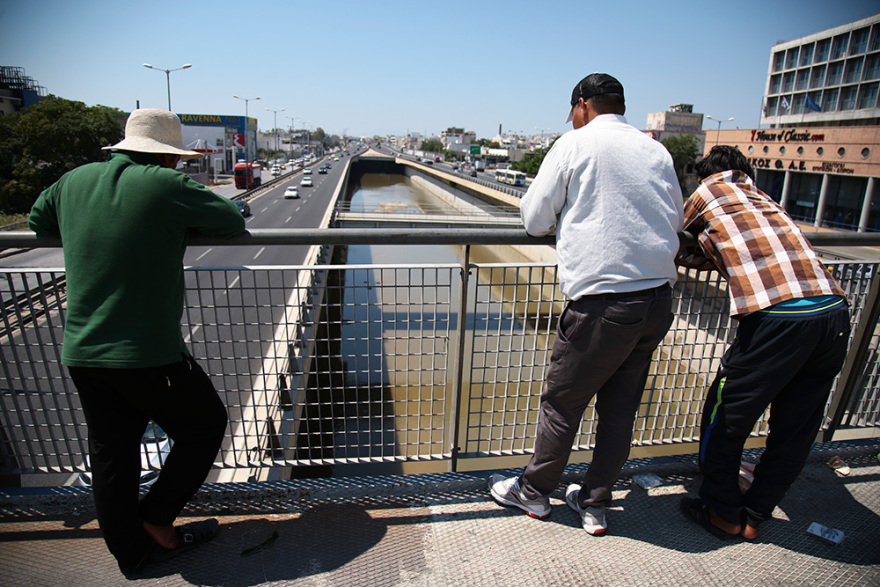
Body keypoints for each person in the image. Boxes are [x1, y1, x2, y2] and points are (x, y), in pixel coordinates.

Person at [28, 109, 246, 575]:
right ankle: (155, 520)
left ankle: (131, 552)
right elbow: (229, 217)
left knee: (112, 452)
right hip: (147, 353)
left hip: (83, 349)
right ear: (168, 157)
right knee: (204, 425)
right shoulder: (165, 184)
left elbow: (36, 217)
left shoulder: (74, 180)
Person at [488, 73, 684, 535]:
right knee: (620, 409)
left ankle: (534, 493)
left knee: (563, 403)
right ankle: (594, 503)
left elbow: (535, 219)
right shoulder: (655, 149)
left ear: (582, 105)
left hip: (603, 304)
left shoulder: (575, 144)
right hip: (656, 300)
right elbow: (674, 216)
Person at [676, 145, 849, 540]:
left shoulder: (708, 192)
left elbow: (672, 234)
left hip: (780, 316)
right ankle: (755, 513)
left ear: (705, 174)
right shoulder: (765, 198)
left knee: (727, 414)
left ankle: (722, 512)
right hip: (834, 309)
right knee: (796, 427)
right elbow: (732, 248)